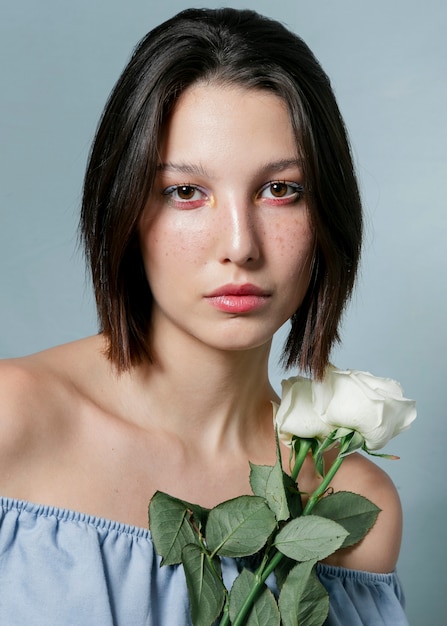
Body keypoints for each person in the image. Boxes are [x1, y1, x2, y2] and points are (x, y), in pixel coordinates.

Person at [0, 7, 408, 625]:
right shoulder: (13, 419)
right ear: (126, 208)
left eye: (281, 190)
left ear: (327, 213)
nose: (241, 245)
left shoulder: (349, 505)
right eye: (186, 192)